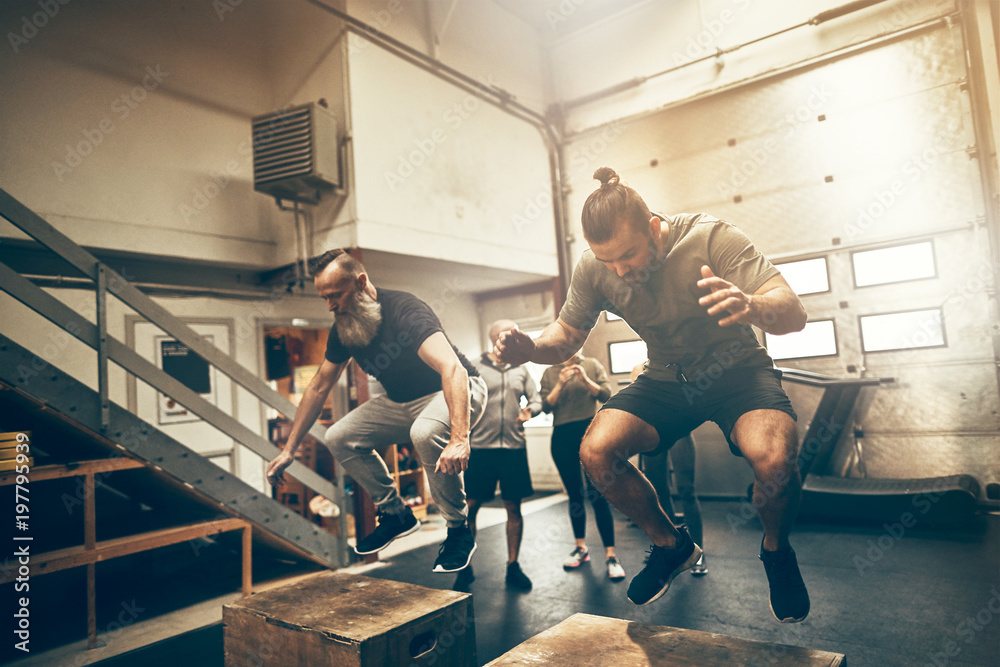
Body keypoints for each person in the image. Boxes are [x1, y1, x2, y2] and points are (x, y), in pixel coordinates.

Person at [495, 167, 810, 622]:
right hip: (667, 376)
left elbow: (793, 311)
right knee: (597, 451)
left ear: (655, 228)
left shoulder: (712, 237)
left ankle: (777, 552)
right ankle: (671, 545)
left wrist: (752, 305)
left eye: (628, 254)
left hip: (738, 373)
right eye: (608, 261)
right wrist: (531, 347)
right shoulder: (595, 268)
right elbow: (565, 334)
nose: (620, 270)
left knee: (776, 460)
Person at [266, 249, 486, 573]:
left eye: (335, 295)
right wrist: (289, 449)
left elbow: (452, 368)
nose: (330, 305)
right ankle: (395, 513)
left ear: (361, 282)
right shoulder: (344, 328)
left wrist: (459, 438)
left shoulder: (405, 310)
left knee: (424, 432)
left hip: (456, 389)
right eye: (323, 298)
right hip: (402, 402)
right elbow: (318, 386)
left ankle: (458, 530)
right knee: (338, 435)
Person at [460, 319, 543, 591]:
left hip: (513, 449)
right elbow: (458, 401)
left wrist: (531, 410)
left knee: (513, 507)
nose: (514, 341)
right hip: (481, 448)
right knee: (470, 507)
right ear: (495, 339)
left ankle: (513, 566)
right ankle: (465, 565)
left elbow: (536, 399)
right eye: (508, 337)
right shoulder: (472, 367)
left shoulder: (521, 369)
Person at [541, 351, 626, 582]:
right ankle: (581, 548)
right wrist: (560, 383)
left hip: (589, 433)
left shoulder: (591, 364)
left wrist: (584, 378)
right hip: (561, 436)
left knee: (597, 493)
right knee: (574, 496)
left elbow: (606, 394)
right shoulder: (550, 372)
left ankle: (611, 556)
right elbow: (546, 407)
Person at [631, 362, 707, 576]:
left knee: (687, 491)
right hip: (652, 434)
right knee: (657, 492)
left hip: (680, 432)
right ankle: (673, 549)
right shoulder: (639, 369)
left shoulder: (679, 365)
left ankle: (698, 553)